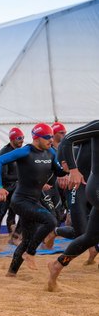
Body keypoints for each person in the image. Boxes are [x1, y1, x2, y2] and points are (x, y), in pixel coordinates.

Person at [0, 123, 65, 277]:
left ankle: (11, 272)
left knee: (27, 239)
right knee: (50, 221)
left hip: (34, 200)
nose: (51, 140)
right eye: (47, 137)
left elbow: (58, 171)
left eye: (52, 137)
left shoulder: (51, 152)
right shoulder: (25, 151)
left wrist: (66, 169)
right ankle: (30, 253)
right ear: (36, 138)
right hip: (21, 200)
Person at [47, 120, 99, 290]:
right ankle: (55, 231)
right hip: (89, 185)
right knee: (80, 231)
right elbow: (67, 140)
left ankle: (58, 264)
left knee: (90, 237)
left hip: (90, 185)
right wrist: (72, 169)